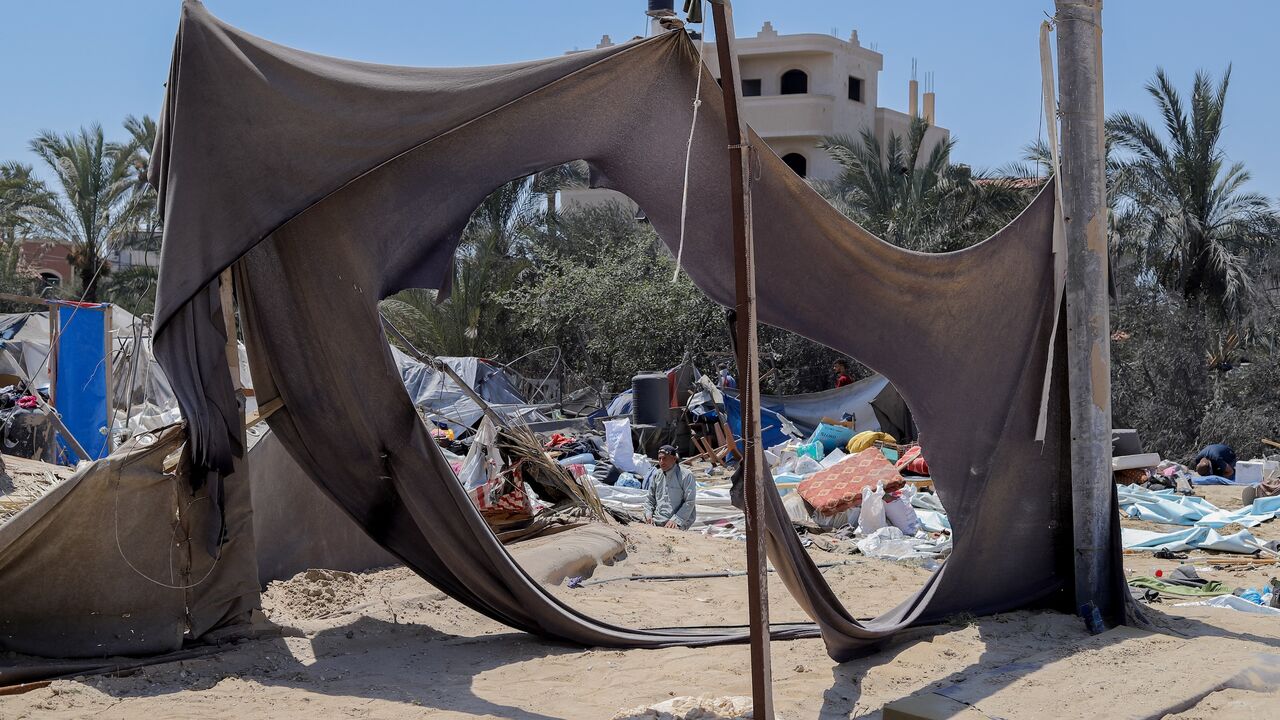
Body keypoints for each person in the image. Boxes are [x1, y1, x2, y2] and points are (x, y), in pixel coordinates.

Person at [644, 445, 697, 529]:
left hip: (677, 522)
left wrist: (676, 520)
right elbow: (650, 498)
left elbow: (689, 502)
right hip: (657, 520)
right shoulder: (657, 475)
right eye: (659, 459)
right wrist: (648, 514)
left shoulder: (686, 475)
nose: (661, 462)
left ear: (674, 459)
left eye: (664, 458)